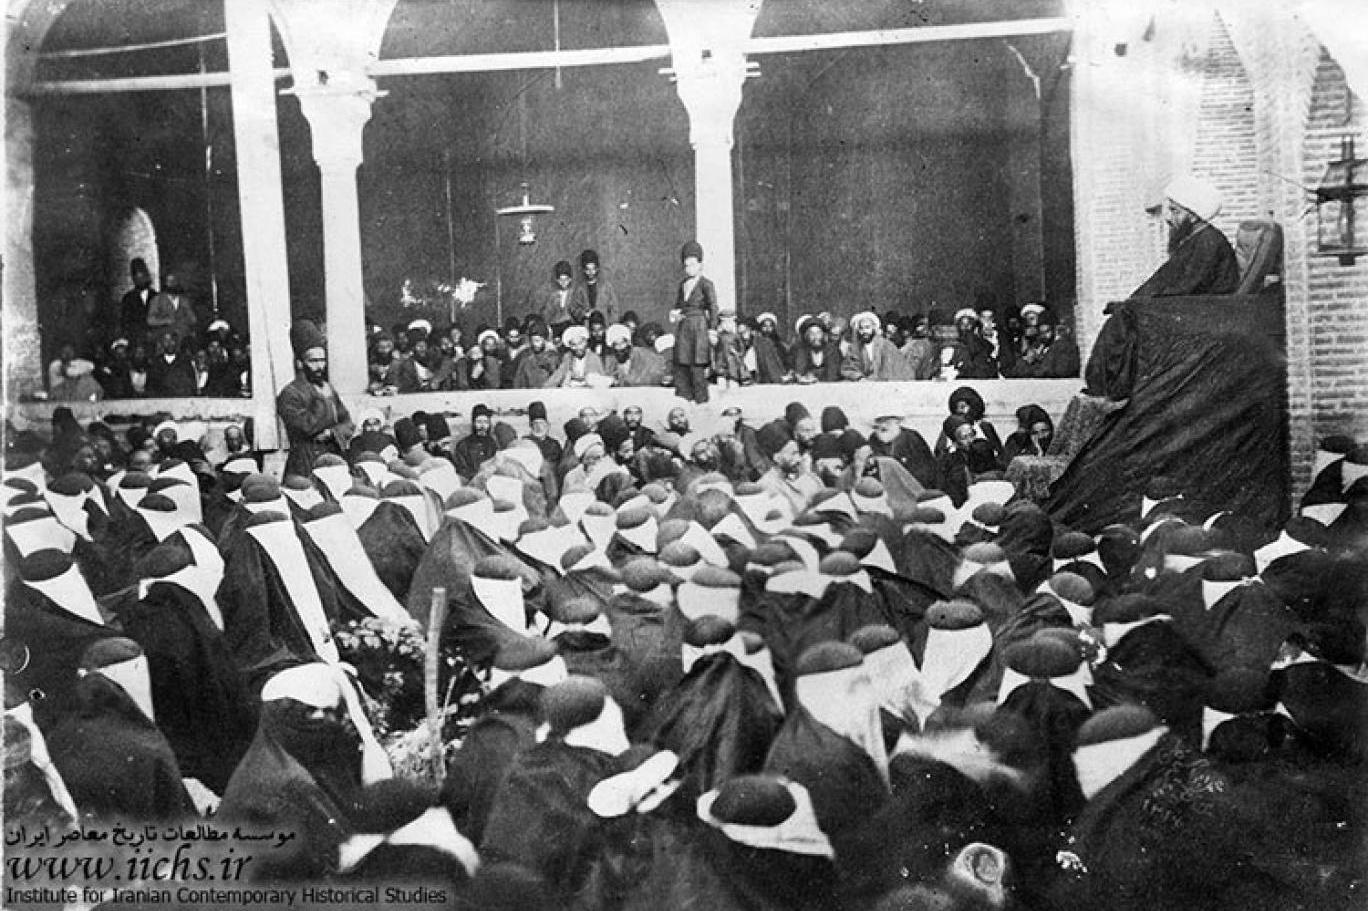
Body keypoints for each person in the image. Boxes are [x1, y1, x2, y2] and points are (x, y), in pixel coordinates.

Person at [1131, 175, 1240, 297]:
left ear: (1193, 216)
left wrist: (1145, 301)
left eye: (1175, 211)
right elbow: (1163, 277)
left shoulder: (1209, 241)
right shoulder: (1192, 238)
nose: (1169, 218)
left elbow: (1187, 287)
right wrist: (1133, 299)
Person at [277, 319, 353, 477]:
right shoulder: (290, 393)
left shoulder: (328, 388)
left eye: (322, 360)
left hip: (333, 456)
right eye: (313, 361)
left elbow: (347, 422)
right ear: (300, 363)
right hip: (305, 460)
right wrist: (322, 400)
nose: (320, 366)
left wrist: (332, 433)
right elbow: (306, 427)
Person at [671, 240, 717, 403]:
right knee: (682, 364)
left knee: (697, 367)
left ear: (700, 265)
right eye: (686, 265)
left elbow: (713, 307)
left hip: (699, 328)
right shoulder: (682, 284)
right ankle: (684, 401)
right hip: (684, 328)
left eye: (692, 265)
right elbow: (678, 305)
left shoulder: (706, 284)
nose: (689, 269)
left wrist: (712, 330)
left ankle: (701, 402)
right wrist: (675, 314)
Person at [841, 311, 910, 381]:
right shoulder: (853, 348)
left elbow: (892, 369)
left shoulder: (886, 345)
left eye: (867, 327)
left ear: (874, 328)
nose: (864, 331)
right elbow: (848, 368)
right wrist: (859, 377)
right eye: (861, 328)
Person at [145, 273, 197, 348]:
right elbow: (150, 320)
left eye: (174, 281)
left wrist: (185, 317)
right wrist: (165, 321)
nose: (172, 284)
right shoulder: (157, 300)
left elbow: (193, 319)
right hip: (164, 337)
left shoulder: (184, 300)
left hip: (182, 337)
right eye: (169, 281)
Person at [607, 322, 668, 387]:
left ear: (629, 342)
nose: (620, 347)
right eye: (616, 344)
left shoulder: (643, 356)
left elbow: (660, 368)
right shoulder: (611, 362)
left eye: (622, 342)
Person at [451, 404, 499, 481]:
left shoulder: (493, 444)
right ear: (473, 423)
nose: (482, 426)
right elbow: (462, 470)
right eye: (479, 422)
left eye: (486, 422)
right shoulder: (463, 445)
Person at [570, 249, 619, 322]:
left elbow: (614, 308)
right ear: (583, 270)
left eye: (593, 269)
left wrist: (611, 323)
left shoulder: (606, 286)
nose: (591, 272)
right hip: (587, 324)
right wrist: (584, 314)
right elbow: (574, 308)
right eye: (588, 269)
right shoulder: (580, 288)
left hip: (605, 324)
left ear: (597, 269)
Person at [144, 330, 198, 397]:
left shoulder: (185, 361)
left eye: (172, 340)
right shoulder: (155, 363)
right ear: (162, 343)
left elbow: (192, 384)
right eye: (166, 341)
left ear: (176, 342)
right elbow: (150, 386)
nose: (170, 343)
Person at [791, 316, 843, 383]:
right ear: (806, 336)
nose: (816, 337)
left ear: (823, 334)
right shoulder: (800, 350)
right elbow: (799, 372)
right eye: (812, 334)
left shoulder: (832, 349)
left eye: (818, 333)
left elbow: (833, 374)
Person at [119, 257, 156, 344]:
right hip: (135, 341)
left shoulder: (156, 296)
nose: (140, 279)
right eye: (136, 275)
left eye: (142, 274)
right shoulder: (128, 299)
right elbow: (125, 323)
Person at [536, 260, 577, 333]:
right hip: (555, 325)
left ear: (570, 279)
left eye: (566, 279)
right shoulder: (553, 295)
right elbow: (546, 314)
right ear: (557, 280)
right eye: (561, 280)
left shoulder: (574, 294)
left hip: (570, 325)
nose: (563, 282)